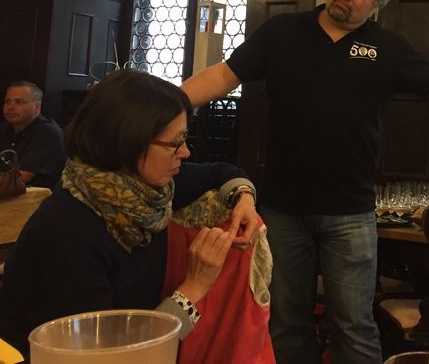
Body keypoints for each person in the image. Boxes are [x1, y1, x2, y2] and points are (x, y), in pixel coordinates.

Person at [181, 0, 429, 364]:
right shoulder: (282, 31)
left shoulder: (387, 47)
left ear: (375, 4)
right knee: (285, 322)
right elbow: (224, 75)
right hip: (284, 209)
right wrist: (172, 100)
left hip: (351, 213)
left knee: (354, 326)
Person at [0, 70, 261, 359]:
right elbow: (113, 354)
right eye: (176, 142)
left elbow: (222, 172)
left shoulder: (148, 191)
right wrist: (194, 287)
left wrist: (244, 197)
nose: (185, 152)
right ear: (129, 141)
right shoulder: (70, 229)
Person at [0, 81, 66, 189]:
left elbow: (18, 180)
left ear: (37, 107)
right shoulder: (4, 128)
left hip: (37, 200)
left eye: (19, 102)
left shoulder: (48, 133)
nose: (10, 107)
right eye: (7, 101)